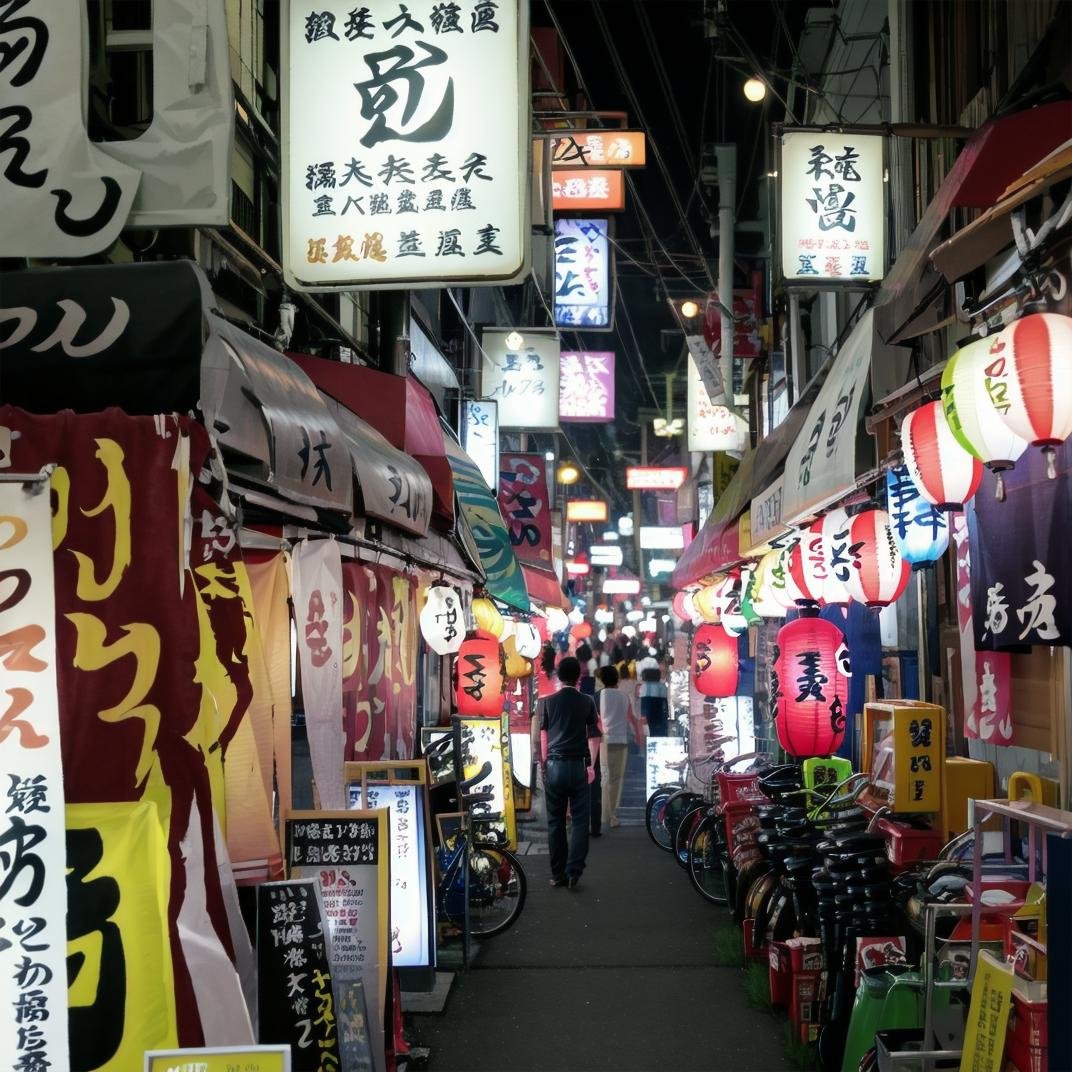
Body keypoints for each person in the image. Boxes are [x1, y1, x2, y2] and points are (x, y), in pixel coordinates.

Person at [539, 655, 600, 889]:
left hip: (554, 765)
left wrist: (545, 764)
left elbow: (543, 735)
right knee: (580, 820)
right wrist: (590, 767)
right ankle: (574, 871)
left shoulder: (548, 702)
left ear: (559, 676)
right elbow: (593, 736)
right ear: (579, 677)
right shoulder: (587, 701)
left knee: (555, 821)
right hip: (578, 766)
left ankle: (558, 875)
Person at [596, 665, 642, 828]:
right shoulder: (624, 697)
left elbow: (596, 721)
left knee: (604, 777)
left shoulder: (598, 696)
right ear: (617, 679)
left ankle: (603, 815)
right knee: (616, 779)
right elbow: (632, 720)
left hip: (603, 742)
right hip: (621, 742)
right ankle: (613, 815)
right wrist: (638, 737)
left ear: (602, 680)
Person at [638, 664, 670, 737]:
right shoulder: (662, 686)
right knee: (661, 734)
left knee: (650, 734)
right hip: (660, 713)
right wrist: (666, 715)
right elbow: (665, 702)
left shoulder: (645, 686)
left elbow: (644, 702)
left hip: (649, 712)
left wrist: (643, 715)